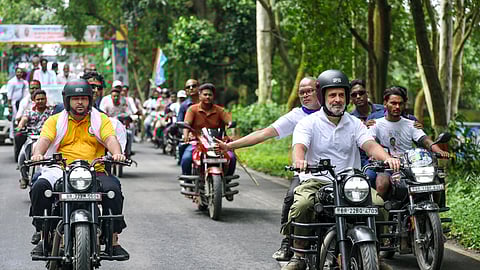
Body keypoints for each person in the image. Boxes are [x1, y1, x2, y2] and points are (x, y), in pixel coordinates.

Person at [281, 70, 400, 270]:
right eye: (332, 95)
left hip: (350, 182)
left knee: (378, 204)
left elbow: (369, 144)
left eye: (341, 95)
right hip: (317, 180)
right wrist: (300, 160)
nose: (337, 100)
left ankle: (375, 255)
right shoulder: (307, 123)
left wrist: (388, 158)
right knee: (301, 205)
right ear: (323, 97)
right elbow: (299, 146)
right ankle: (299, 255)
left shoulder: (354, 124)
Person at [216, 77, 321, 261]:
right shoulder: (296, 116)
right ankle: (288, 240)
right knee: (291, 197)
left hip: (338, 173)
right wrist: (231, 146)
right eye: (302, 92)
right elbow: (264, 133)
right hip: (307, 172)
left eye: (309, 91)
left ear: (319, 90)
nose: (305, 95)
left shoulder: (336, 112)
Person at [29, 79, 129, 259]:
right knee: (39, 187)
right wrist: (38, 153)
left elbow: (110, 139)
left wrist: (117, 153)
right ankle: (44, 235)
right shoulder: (55, 121)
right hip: (60, 168)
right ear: (67, 101)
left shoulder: (101, 120)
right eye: (75, 99)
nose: (80, 102)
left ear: (90, 100)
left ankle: (113, 239)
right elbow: (43, 140)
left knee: (113, 189)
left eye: (84, 98)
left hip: (93, 169)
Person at [368, 86, 449, 199]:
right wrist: (375, 156)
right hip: (387, 167)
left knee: (435, 183)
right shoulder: (375, 124)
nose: (397, 106)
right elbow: (370, 143)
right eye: (393, 103)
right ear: (385, 103)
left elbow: (425, 140)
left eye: (400, 103)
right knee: (382, 184)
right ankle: (381, 214)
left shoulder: (411, 124)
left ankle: (434, 211)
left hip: (411, 167)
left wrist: (439, 150)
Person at [181, 83, 236, 181]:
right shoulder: (192, 109)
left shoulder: (219, 110)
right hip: (197, 142)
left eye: (210, 95)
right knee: (186, 158)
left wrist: (231, 124)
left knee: (231, 157)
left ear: (213, 96)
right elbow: (187, 124)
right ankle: (187, 182)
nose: (207, 97)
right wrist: (185, 135)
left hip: (217, 142)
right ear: (199, 96)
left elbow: (229, 121)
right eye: (205, 94)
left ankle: (227, 181)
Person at [16, 89, 54, 189]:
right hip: (31, 139)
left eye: (42, 99)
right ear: (34, 100)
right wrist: (20, 126)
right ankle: (24, 177)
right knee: (22, 157)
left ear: (46, 100)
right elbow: (23, 120)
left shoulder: (52, 112)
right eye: (38, 99)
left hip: (47, 139)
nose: (40, 101)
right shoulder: (29, 112)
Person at [6, 67, 28, 139]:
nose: (19, 74)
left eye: (21, 72)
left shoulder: (23, 82)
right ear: (15, 73)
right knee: (14, 119)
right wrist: (9, 106)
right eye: (18, 72)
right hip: (13, 103)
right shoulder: (11, 82)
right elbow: (9, 94)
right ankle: (12, 136)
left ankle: (19, 133)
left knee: (20, 118)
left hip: (20, 103)